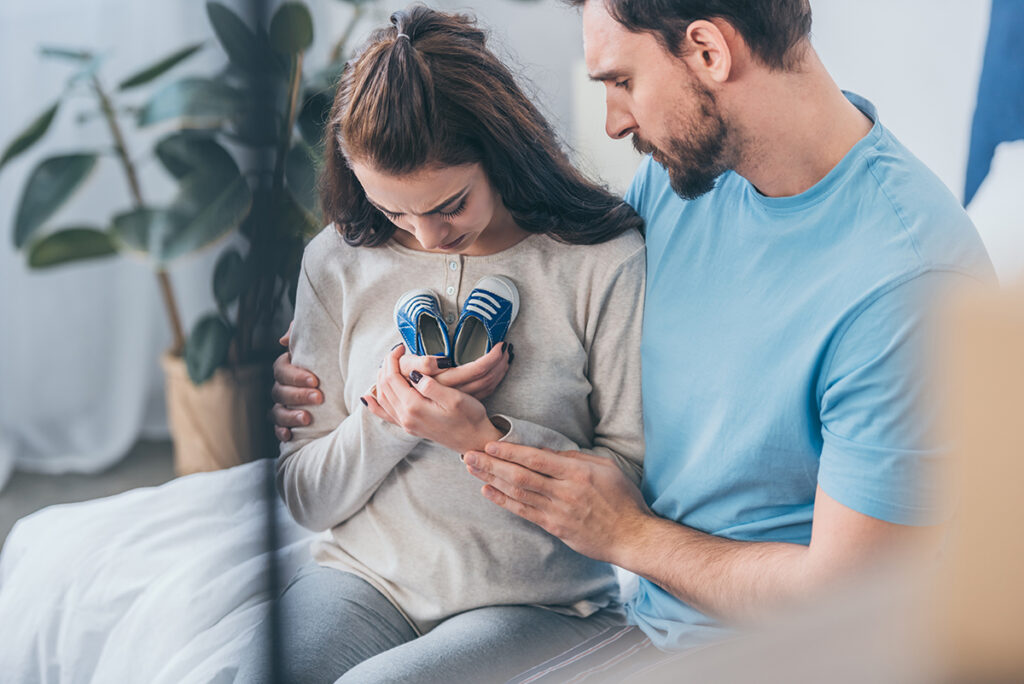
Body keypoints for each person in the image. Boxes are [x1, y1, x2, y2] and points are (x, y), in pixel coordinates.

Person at [274, 0, 996, 680]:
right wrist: (337, 371)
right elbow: (566, 312)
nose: (613, 122)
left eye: (620, 81)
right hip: (643, 619)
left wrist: (629, 536)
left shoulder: (911, 283)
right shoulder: (687, 185)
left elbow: (852, 605)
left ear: (708, 51)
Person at [243, 5, 649, 684]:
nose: (426, 236)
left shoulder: (600, 262)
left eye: (448, 204)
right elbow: (306, 498)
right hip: (366, 579)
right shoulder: (336, 262)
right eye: (393, 210)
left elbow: (630, 483)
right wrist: (387, 420)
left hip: (539, 602)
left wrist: (483, 437)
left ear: (500, 151)